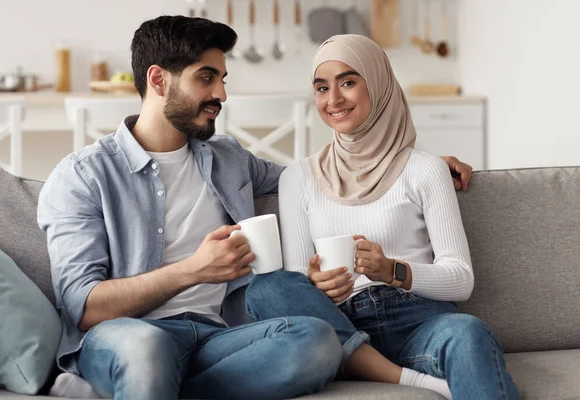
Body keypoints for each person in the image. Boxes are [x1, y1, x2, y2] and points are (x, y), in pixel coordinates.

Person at [38, 15, 475, 400]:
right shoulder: (82, 176)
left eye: (223, 79)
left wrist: (412, 164)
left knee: (316, 340)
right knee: (147, 350)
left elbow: (320, 174)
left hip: (218, 340)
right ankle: (130, 375)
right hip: (127, 335)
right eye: (206, 78)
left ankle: (152, 387)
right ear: (158, 80)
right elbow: (83, 306)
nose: (221, 94)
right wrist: (195, 270)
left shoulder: (227, 158)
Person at [263, 34, 519, 399]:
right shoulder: (297, 179)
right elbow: (298, 284)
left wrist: (392, 270)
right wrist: (316, 283)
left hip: (418, 321)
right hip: (340, 327)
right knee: (270, 287)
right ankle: (402, 376)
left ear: (379, 84)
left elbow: (461, 279)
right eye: (322, 88)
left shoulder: (426, 170)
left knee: (468, 332)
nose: (333, 100)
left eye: (348, 82)